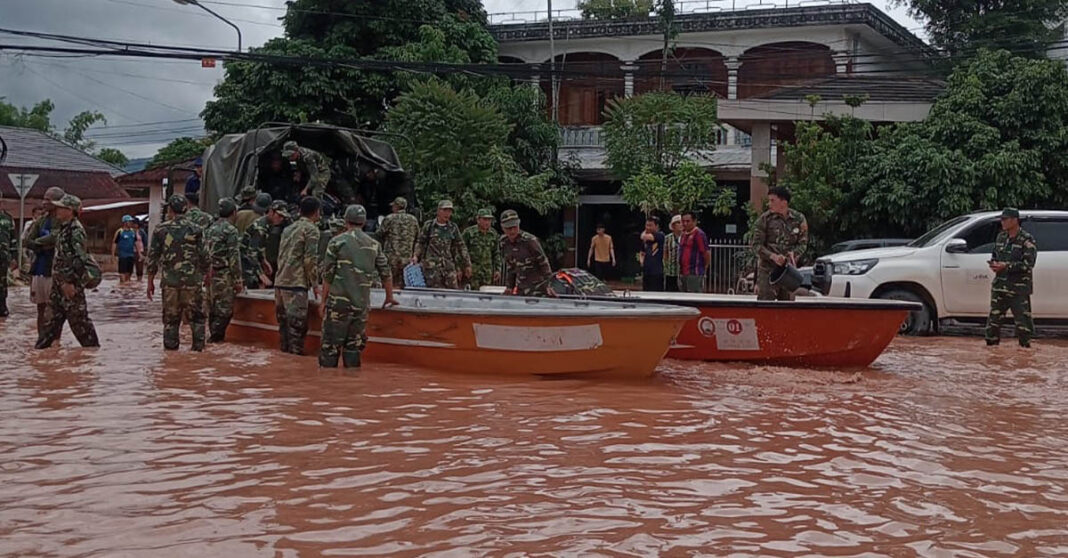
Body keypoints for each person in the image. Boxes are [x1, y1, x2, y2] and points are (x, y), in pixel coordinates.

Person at [318, 204, 398, 369]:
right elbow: (386, 273)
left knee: (330, 348)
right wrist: (389, 297)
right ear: (363, 223)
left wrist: (323, 301)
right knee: (354, 348)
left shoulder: (336, 242)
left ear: (346, 221)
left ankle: (327, 385)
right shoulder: (373, 244)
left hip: (338, 305)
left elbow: (328, 275)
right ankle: (352, 384)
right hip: (361, 306)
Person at [146, 195, 209, 352]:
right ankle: (198, 353)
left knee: (170, 320)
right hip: (192, 282)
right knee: (197, 319)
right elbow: (205, 256)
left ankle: (171, 356)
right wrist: (206, 275)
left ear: (170, 210)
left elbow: (152, 257)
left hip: (170, 283)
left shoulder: (160, 230)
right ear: (185, 209)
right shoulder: (196, 229)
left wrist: (150, 282)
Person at [35, 194, 100, 349]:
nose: (57, 210)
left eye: (61, 207)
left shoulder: (76, 230)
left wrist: (69, 282)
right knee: (49, 325)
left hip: (70, 286)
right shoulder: (64, 228)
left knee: (80, 324)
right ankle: (40, 359)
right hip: (58, 286)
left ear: (69, 210)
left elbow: (79, 259)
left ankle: (92, 357)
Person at [273, 196, 322, 355]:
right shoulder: (311, 230)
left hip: (280, 283)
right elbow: (310, 260)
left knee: (284, 331)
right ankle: (294, 369)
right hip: (296, 285)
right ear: (317, 212)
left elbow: (280, 255)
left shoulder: (288, 229)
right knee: (297, 332)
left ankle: (285, 368)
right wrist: (315, 284)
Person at [985, 208, 1038, 348]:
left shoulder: (1026, 239)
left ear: (1014, 220)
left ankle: (1025, 358)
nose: (1002, 222)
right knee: (992, 325)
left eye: (1005, 219)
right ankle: (992, 355)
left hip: (1018, 290)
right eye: (1001, 219)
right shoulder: (1001, 237)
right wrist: (994, 264)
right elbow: (995, 256)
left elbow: (1028, 264)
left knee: (1023, 327)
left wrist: (1006, 266)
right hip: (999, 287)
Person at [752, 186, 809, 301]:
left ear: (783, 202)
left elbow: (803, 243)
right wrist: (772, 256)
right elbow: (756, 245)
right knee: (766, 305)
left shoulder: (799, 219)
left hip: (788, 271)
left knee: (787, 306)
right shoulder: (765, 219)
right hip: (768, 270)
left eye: (773, 200)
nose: (769, 204)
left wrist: (793, 255)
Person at [23, 187, 65, 331]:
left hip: (54, 270)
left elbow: (55, 238)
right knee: (40, 308)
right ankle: (41, 340)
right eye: (44, 198)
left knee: (54, 308)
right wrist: (42, 244)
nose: (44, 202)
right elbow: (27, 240)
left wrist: (38, 243)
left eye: (48, 199)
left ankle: (55, 342)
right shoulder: (41, 221)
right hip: (38, 268)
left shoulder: (62, 221)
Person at [205, 198, 244, 343]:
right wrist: (238, 280)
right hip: (223, 274)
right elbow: (234, 256)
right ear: (234, 212)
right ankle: (215, 338)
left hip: (209, 274)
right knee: (225, 310)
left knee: (213, 309)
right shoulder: (230, 230)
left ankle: (215, 341)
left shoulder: (210, 228)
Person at [413, 200, 471, 290]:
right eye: (445, 210)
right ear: (438, 211)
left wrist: (467, 264)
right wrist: (416, 256)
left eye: (449, 211)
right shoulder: (429, 226)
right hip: (432, 268)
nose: (447, 214)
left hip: (448, 267)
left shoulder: (453, 228)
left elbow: (461, 246)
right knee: (433, 294)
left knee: (453, 292)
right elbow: (420, 242)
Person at [500, 209, 553, 297]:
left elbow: (543, 262)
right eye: (509, 228)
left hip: (538, 288)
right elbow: (511, 267)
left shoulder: (529, 241)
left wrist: (550, 285)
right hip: (521, 288)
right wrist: (510, 287)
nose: (512, 231)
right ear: (503, 228)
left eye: (515, 227)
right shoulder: (504, 242)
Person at [377, 196, 419, 287]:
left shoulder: (389, 218)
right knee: (404, 285)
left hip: (391, 257)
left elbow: (379, 234)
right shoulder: (413, 220)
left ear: (396, 206)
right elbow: (418, 237)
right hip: (407, 258)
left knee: (389, 283)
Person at [462, 208, 502, 291]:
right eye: (484, 219)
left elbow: (496, 252)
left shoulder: (493, 234)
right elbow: (461, 250)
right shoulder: (469, 233)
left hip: (487, 272)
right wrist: (463, 267)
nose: (487, 222)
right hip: (472, 271)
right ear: (478, 219)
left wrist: (498, 269)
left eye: (489, 220)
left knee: (485, 295)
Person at [241, 194, 273, 289]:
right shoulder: (260, 227)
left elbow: (258, 247)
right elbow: (251, 252)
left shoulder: (264, 223)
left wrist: (263, 260)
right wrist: (260, 274)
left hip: (250, 259)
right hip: (245, 261)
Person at [678, 211, 710, 293]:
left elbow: (706, 253)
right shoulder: (683, 234)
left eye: (688, 221)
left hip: (694, 272)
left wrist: (704, 267)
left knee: (693, 295)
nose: (685, 223)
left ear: (694, 221)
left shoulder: (699, 234)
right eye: (683, 221)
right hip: (683, 272)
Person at [263, 200, 293, 282]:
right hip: (268, 263)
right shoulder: (262, 225)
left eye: (283, 216)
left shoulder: (287, 225)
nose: (281, 219)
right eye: (279, 215)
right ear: (271, 212)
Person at [639, 216, 666, 292]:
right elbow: (642, 251)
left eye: (650, 225)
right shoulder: (645, 240)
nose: (648, 227)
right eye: (646, 225)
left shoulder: (660, 235)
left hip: (656, 272)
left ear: (656, 226)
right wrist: (642, 262)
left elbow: (643, 236)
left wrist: (645, 232)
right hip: (646, 271)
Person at [112, 215, 140, 283]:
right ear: (125, 222)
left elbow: (136, 243)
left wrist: (139, 253)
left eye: (131, 221)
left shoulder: (133, 232)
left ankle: (126, 289)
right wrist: (113, 255)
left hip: (131, 255)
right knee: (122, 273)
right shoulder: (120, 232)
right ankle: (122, 286)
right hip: (122, 256)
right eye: (129, 221)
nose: (131, 223)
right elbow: (114, 243)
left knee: (129, 273)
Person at [0, 192, 14, 318]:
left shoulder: (8, 218)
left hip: (3, 257)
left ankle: (2, 306)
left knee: (2, 282)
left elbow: (13, 239)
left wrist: (14, 256)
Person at [663, 214, 682, 292]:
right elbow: (665, 253)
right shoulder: (668, 238)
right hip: (670, 271)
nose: (680, 224)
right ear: (673, 225)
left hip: (682, 271)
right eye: (678, 222)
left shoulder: (686, 236)